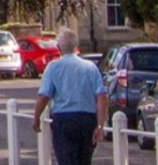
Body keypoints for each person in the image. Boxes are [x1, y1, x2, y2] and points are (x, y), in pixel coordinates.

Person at [33, 28, 106, 165]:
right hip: (87, 119)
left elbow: (44, 96)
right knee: (84, 161)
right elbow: (101, 96)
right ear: (76, 46)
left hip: (64, 120)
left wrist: (36, 117)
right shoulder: (90, 67)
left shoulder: (53, 67)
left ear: (58, 47)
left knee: (67, 160)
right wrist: (100, 125)